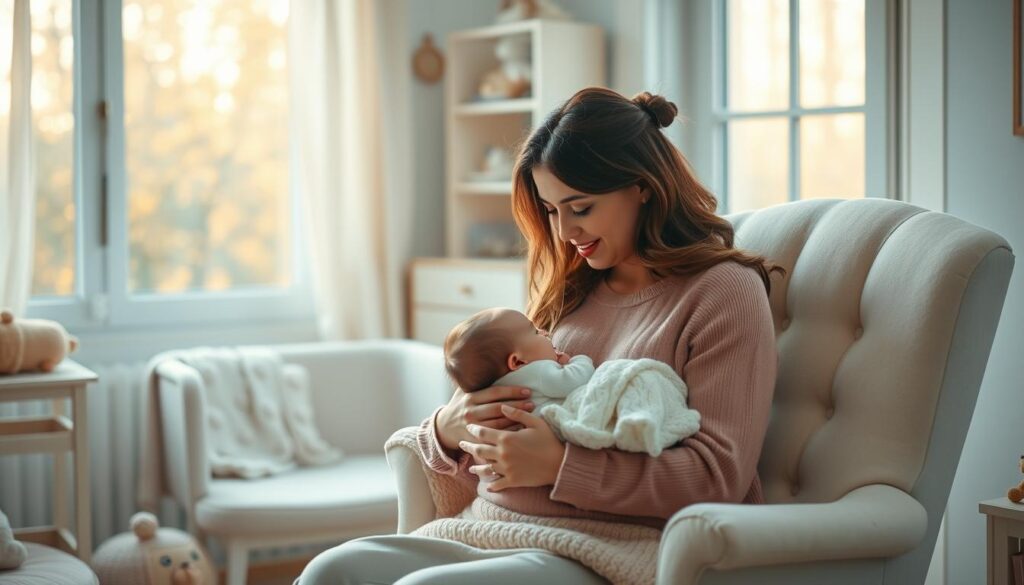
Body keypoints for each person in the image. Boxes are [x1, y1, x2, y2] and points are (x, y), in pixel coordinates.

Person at [296, 87, 783, 585]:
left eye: (581, 207)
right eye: (551, 210)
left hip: (606, 545)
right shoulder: (572, 292)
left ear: (643, 186)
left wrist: (561, 466)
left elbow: (718, 476)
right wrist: (447, 428)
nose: (566, 230)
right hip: (491, 528)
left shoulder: (723, 292)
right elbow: (511, 429)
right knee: (330, 571)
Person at [444, 306, 700, 458]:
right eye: (536, 332)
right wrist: (579, 361)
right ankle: (636, 424)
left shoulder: (496, 385)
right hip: (554, 426)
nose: (545, 332)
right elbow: (573, 381)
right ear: (517, 362)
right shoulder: (540, 372)